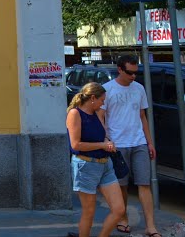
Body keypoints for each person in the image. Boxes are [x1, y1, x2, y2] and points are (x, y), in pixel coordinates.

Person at [101, 55, 160, 237]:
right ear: (119, 69)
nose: (133, 76)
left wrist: (149, 142)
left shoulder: (139, 88)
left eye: (136, 73)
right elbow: (100, 117)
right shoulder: (107, 89)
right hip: (118, 144)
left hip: (139, 141)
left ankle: (151, 226)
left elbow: (142, 116)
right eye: (129, 73)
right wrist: (106, 140)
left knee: (144, 184)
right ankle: (123, 219)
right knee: (122, 186)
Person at [66, 81, 126, 237]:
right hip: (86, 165)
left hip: (106, 165)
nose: (103, 103)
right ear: (93, 98)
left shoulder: (96, 113)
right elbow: (75, 144)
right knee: (89, 212)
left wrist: (107, 142)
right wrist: (102, 145)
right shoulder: (75, 114)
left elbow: (101, 135)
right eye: (101, 100)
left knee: (119, 209)